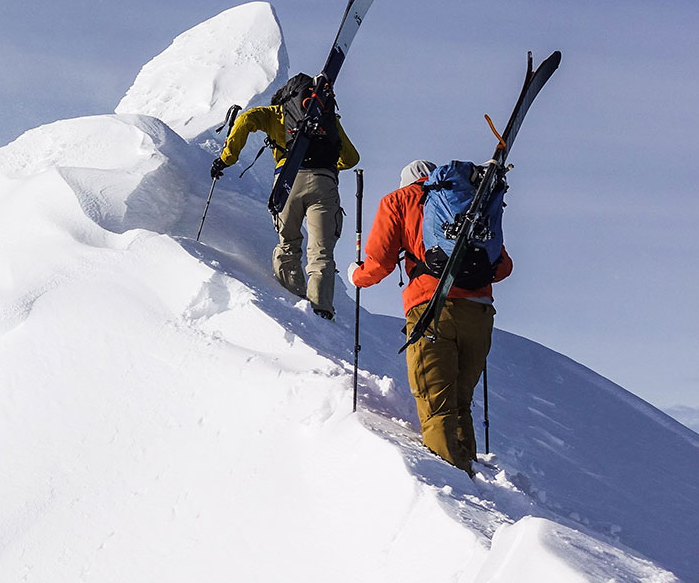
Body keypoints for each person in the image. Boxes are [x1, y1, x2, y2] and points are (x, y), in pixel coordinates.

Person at [349, 159, 513, 475]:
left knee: (437, 405)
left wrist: (357, 276)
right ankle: (475, 479)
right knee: (460, 401)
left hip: (431, 310)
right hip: (479, 313)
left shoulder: (398, 200)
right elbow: (503, 267)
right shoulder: (472, 203)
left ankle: (457, 495)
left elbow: (380, 263)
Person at [211, 73, 359, 319]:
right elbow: (352, 158)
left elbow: (246, 119)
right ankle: (320, 308)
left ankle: (293, 299)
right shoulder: (325, 117)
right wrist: (327, 165)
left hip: (288, 180)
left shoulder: (274, 113)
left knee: (288, 244)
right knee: (321, 252)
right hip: (324, 184)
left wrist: (226, 158)